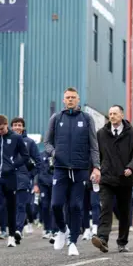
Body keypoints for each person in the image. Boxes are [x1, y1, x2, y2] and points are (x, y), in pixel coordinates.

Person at [43, 87, 100, 256]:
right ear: (63, 100)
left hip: (80, 169)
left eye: (73, 97)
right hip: (60, 169)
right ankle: (62, 229)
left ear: (78, 99)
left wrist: (96, 167)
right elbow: (47, 143)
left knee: (76, 206)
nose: (70, 100)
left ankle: (73, 242)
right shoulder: (56, 118)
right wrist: (54, 153)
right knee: (56, 205)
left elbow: (94, 146)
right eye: (67, 97)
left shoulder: (87, 119)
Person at [91, 105, 133, 253]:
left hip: (124, 178)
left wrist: (131, 167)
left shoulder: (132, 133)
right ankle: (102, 239)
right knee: (105, 207)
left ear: (121, 115)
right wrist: (95, 170)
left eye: (115, 114)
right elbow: (95, 154)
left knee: (124, 212)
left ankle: (122, 242)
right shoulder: (101, 134)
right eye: (110, 114)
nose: (112, 116)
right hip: (106, 178)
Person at [0, 115, 29, 248]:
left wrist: (14, 164)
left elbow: (25, 156)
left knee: (11, 207)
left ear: (6, 125)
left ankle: (12, 236)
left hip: (10, 177)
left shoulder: (16, 138)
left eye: (1, 128)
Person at [10, 117, 41, 241]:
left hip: (23, 180)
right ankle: (10, 230)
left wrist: (30, 175)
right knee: (9, 206)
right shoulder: (6, 141)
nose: (17, 127)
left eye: (20, 125)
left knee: (21, 206)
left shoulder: (30, 142)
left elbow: (38, 162)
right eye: (15, 125)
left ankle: (18, 230)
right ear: (11, 127)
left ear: (23, 127)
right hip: (9, 179)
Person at [34, 150, 56, 242]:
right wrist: (35, 184)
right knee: (45, 206)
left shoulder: (56, 153)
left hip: (54, 184)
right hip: (43, 184)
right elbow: (37, 170)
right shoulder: (40, 154)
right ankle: (46, 229)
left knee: (53, 206)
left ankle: (54, 229)